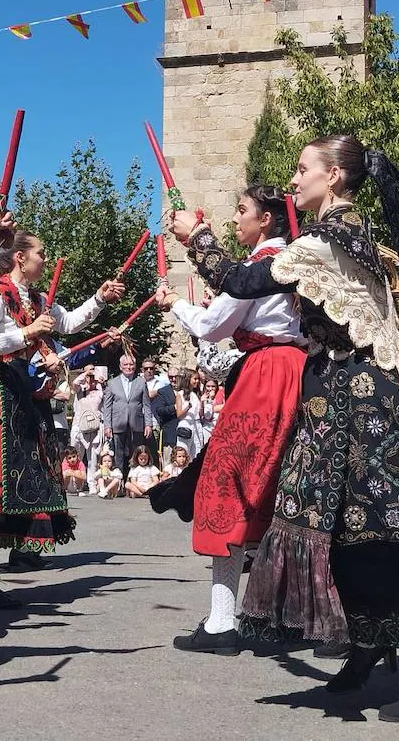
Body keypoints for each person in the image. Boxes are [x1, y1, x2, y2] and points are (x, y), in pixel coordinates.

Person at [170, 134, 399, 723]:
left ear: (334, 177)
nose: (294, 180)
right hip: (345, 396)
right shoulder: (353, 239)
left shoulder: (325, 241)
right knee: (345, 531)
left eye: (303, 169)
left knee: (392, 533)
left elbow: (240, 282)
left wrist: (197, 238)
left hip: (363, 402)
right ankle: (368, 645)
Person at [150, 183, 306, 656]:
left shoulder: (264, 265)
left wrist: (173, 303)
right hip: (292, 374)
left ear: (267, 221)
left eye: (243, 211)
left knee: (228, 488)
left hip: (265, 380)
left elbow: (213, 326)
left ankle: (223, 622)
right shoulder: (292, 262)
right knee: (277, 490)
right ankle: (282, 614)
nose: (235, 219)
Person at [0, 230, 123, 609]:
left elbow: (71, 322)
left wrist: (100, 299)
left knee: (11, 489)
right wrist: (28, 332)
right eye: (40, 253)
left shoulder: (37, 299)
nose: (45, 259)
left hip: (20, 398)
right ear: (20, 259)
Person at [102, 355, 154, 481]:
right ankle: (118, 482)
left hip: (136, 424)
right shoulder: (112, 383)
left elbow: (146, 405)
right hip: (118, 424)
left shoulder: (141, 382)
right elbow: (107, 407)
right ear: (120, 367)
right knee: (118, 455)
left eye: (131, 365)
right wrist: (107, 426)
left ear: (135, 366)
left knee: (135, 453)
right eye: (125, 365)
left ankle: (132, 481)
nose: (128, 367)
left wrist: (148, 424)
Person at [143, 359, 180, 459]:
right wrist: (175, 407)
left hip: (185, 434)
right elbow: (160, 410)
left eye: (176, 376)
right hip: (169, 432)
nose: (173, 379)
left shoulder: (186, 390)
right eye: (171, 377)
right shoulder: (164, 391)